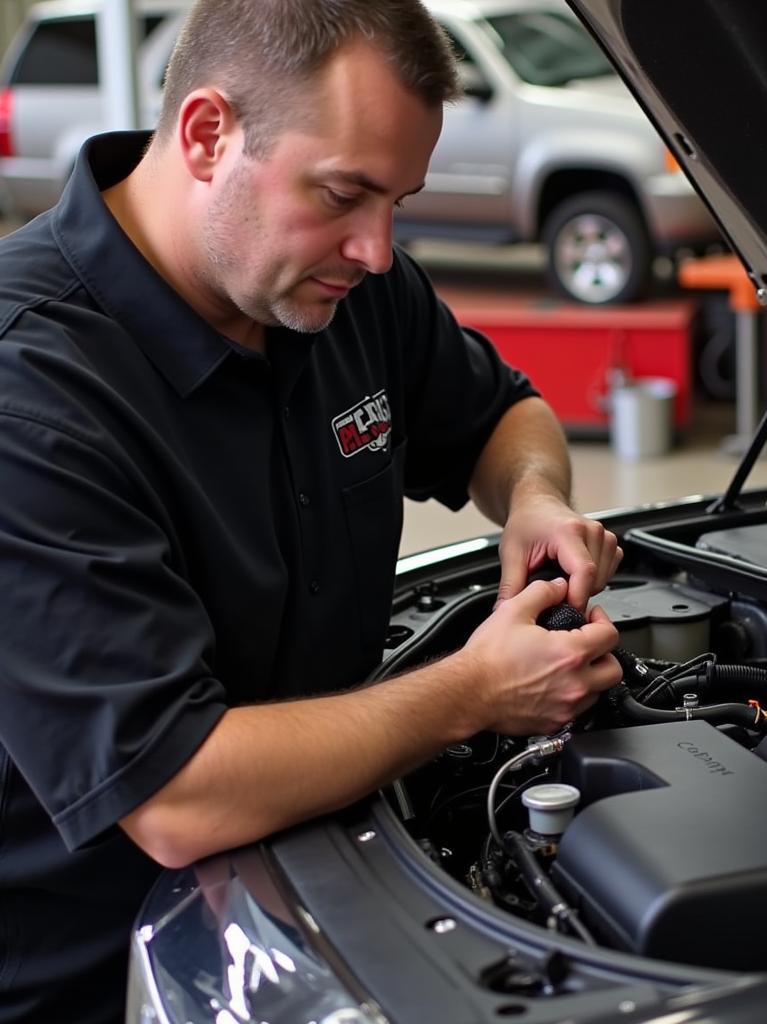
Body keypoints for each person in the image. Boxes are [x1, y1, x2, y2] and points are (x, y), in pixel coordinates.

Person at [0, 1, 625, 1021]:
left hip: (322, 898)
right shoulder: (31, 396)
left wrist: (534, 498)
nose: (377, 249)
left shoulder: (337, 290)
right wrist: (472, 691)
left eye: (398, 201)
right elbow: (176, 794)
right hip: (101, 979)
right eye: (343, 194)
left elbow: (501, 415)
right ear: (207, 135)